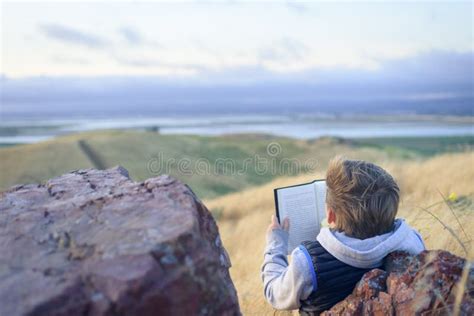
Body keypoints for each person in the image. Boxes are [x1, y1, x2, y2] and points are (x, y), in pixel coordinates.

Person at [261, 156, 425, 314]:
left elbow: (275, 295)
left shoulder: (307, 261)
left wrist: (276, 244)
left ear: (330, 215)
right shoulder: (411, 241)